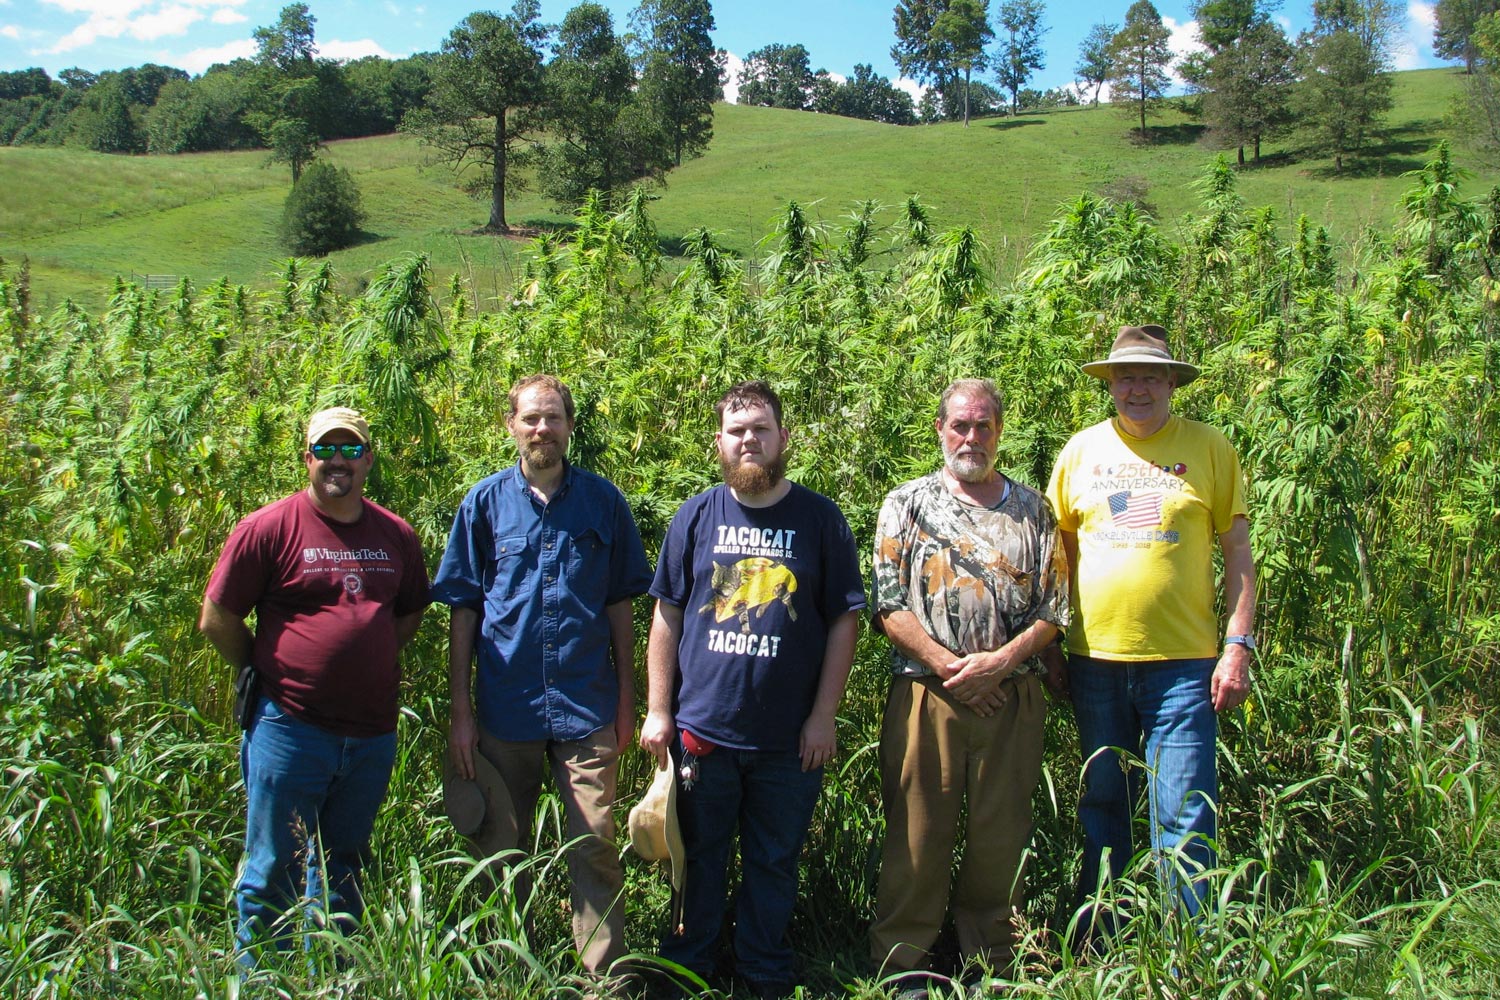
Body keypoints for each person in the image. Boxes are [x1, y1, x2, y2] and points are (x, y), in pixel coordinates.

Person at [640, 380, 865, 1000]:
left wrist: (824, 715)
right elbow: (667, 616)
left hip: (790, 741)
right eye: (737, 431)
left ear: (782, 439)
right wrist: (659, 710)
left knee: (773, 861)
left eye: (760, 430)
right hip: (703, 732)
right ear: (720, 443)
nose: (749, 441)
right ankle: (690, 963)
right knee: (699, 859)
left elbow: (845, 618)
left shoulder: (819, 520)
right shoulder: (696, 515)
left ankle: (762, 968)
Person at [432, 374, 652, 976]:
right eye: (530, 418)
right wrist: (461, 712)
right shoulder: (482, 504)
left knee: (597, 844)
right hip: (506, 709)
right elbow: (464, 610)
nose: (541, 430)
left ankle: (602, 977)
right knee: (499, 848)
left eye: (552, 418)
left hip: (586, 706)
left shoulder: (603, 503)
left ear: (570, 427)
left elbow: (620, 606)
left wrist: (628, 700)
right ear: (511, 426)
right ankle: (506, 970)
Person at [199, 406, 431, 964]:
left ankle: (329, 977)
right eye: (326, 449)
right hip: (289, 729)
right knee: (272, 868)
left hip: (371, 735)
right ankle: (261, 981)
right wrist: (264, 667)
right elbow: (217, 618)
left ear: (368, 459)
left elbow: (409, 613)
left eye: (351, 450)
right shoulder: (269, 528)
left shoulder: (395, 535)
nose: (338, 460)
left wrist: (361, 658)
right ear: (307, 458)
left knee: (343, 867)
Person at [1045, 324, 1256, 924]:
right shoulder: (1080, 451)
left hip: (1186, 666)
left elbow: (1239, 557)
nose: (1137, 387)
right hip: (1095, 661)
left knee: (1185, 808)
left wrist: (1237, 645)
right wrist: (1053, 645)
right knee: (1103, 800)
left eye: (1150, 375)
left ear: (1171, 382)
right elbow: (1060, 558)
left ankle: (1185, 952)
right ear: (1111, 384)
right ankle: (1103, 939)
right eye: (1125, 375)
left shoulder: (1211, 448)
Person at [868, 378, 1071, 983]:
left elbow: (1055, 610)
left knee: (1000, 834)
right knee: (916, 833)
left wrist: (998, 665)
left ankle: (992, 959)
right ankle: (904, 965)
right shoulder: (904, 504)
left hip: (1012, 696)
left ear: (999, 431)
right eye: (960, 424)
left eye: (984, 425)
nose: (972, 437)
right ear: (940, 429)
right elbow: (888, 605)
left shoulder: (1034, 511)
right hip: (928, 695)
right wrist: (950, 666)